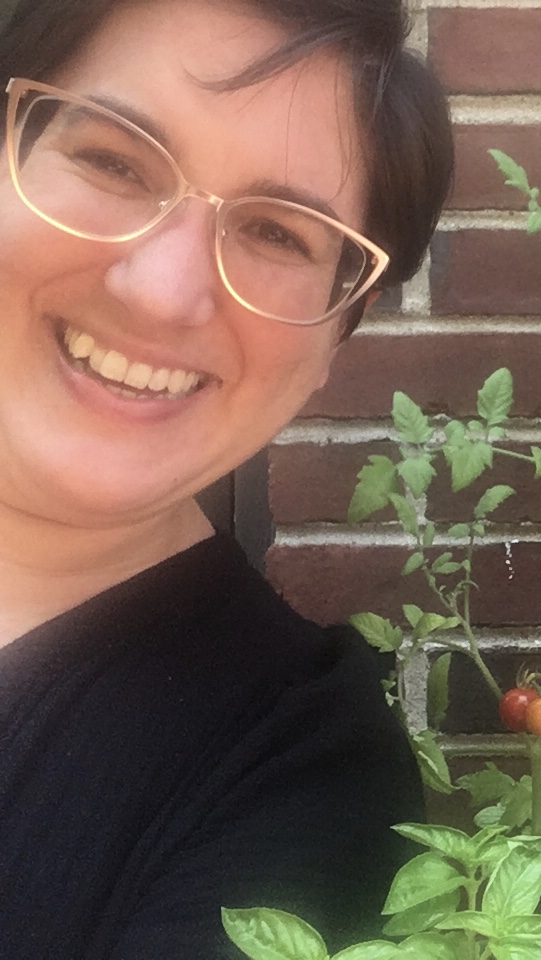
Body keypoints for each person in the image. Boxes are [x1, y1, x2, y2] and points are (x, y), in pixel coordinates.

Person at [0, 0, 454, 957]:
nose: (162, 289)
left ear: (335, 337)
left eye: (278, 234)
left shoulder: (298, 777)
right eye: (114, 162)